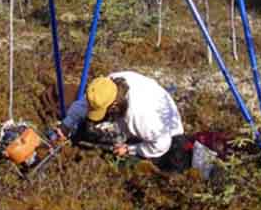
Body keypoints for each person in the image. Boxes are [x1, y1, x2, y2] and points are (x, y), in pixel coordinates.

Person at [51, 71, 187, 170]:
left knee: (129, 167)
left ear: (114, 105)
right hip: (139, 119)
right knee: (92, 129)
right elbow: (84, 104)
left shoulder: (140, 117)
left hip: (167, 136)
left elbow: (162, 144)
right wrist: (66, 125)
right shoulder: (107, 85)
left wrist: (130, 149)